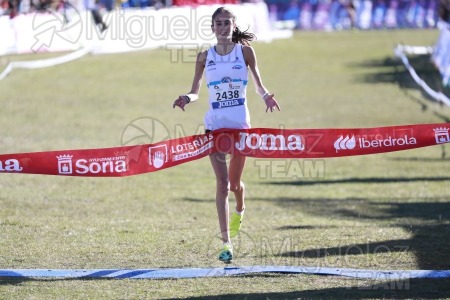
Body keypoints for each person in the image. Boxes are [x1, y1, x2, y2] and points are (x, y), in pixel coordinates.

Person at [173, 6, 281, 263]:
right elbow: (196, 90)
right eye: (218, 23)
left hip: (240, 127)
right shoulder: (203, 57)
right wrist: (186, 98)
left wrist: (266, 96)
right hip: (215, 127)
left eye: (226, 23)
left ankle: (241, 206)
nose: (222, 28)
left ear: (233, 26)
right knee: (221, 185)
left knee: (234, 185)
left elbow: (257, 84)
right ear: (212, 27)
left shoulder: (245, 52)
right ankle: (227, 243)